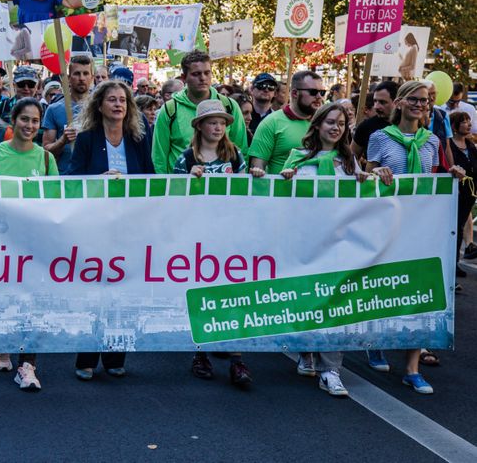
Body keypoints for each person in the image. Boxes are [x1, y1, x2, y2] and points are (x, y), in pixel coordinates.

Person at [365, 80, 466, 393]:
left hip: (420, 226)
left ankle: (412, 367)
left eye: (425, 101)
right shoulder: (379, 137)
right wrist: (375, 173)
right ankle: (376, 341)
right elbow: (365, 178)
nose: (420, 105)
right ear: (400, 103)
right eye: (414, 100)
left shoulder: (432, 141)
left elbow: (430, 183)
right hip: (386, 223)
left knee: (421, 290)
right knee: (384, 285)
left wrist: (453, 175)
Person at [280, 102, 367, 397]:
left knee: (336, 306)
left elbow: (362, 199)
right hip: (305, 246)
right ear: (317, 124)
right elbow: (279, 200)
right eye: (330, 122)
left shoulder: (349, 162)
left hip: (339, 246)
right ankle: (306, 351)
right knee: (307, 302)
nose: (336, 128)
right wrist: (285, 180)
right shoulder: (298, 158)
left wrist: (370, 179)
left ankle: (331, 370)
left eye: (341, 124)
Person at [66, 81, 152, 380]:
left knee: (122, 291)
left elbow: (150, 177)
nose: (118, 105)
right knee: (93, 291)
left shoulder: (140, 137)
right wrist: (97, 180)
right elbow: (72, 179)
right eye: (112, 100)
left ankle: (116, 355)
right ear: (99, 105)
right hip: (95, 225)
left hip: (129, 225)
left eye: (123, 100)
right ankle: (86, 358)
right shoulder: (88, 138)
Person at [173, 99, 260, 387]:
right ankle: (199, 353)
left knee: (231, 295)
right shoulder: (187, 158)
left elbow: (248, 191)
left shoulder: (234, 155)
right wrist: (189, 179)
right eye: (212, 122)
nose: (218, 127)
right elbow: (171, 197)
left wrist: (256, 176)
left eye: (222, 123)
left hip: (229, 236)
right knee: (199, 294)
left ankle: (237, 359)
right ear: (199, 126)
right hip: (197, 237)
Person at [0, 98, 56, 390]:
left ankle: (27, 365)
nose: (30, 126)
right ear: (13, 120)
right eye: (25, 119)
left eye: (35, 121)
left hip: (33, 244)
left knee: (31, 301)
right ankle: (5, 344)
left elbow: (55, 203)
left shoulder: (46, 159)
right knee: (5, 298)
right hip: (1, 242)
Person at [151, 51, 246, 175]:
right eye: (196, 74)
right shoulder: (170, 109)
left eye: (207, 73)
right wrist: (165, 188)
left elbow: (241, 149)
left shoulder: (229, 106)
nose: (203, 78)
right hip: (180, 189)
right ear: (184, 77)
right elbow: (159, 156)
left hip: (223, 190)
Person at [248, 70, 325, 175]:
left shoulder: (325, 123)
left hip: (318, 190)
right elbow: (257, 168)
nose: (319, 97)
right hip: (281, 190)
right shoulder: (271, 122)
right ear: (294, 93)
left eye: (322, 92)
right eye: (313, 92)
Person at [42, 54, 94, 173]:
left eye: (86, 74)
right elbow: (46, 151)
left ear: (92, 78)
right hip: (65, 177)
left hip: (93, 178)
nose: (81, 78)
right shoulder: (54, 109)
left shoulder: (101, 108)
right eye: (77, 73)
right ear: (69, 78)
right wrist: (63, 140)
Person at [449, 111, 477, 268]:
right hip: (455, 194)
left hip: (469, 194)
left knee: (459, 227)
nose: (469, 124)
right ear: (454, 126)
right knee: (455, 229)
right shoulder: (449, 146)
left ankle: (455, 264)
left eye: (469, 121)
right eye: (464, 121)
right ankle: (452, 265)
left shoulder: (470, 146)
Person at [352, 81, 398, 162]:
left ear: (396, 102)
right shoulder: (366, 127)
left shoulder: (409, 125)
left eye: (382, 102)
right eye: (375, 101)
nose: (376, 106)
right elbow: (352, 157)